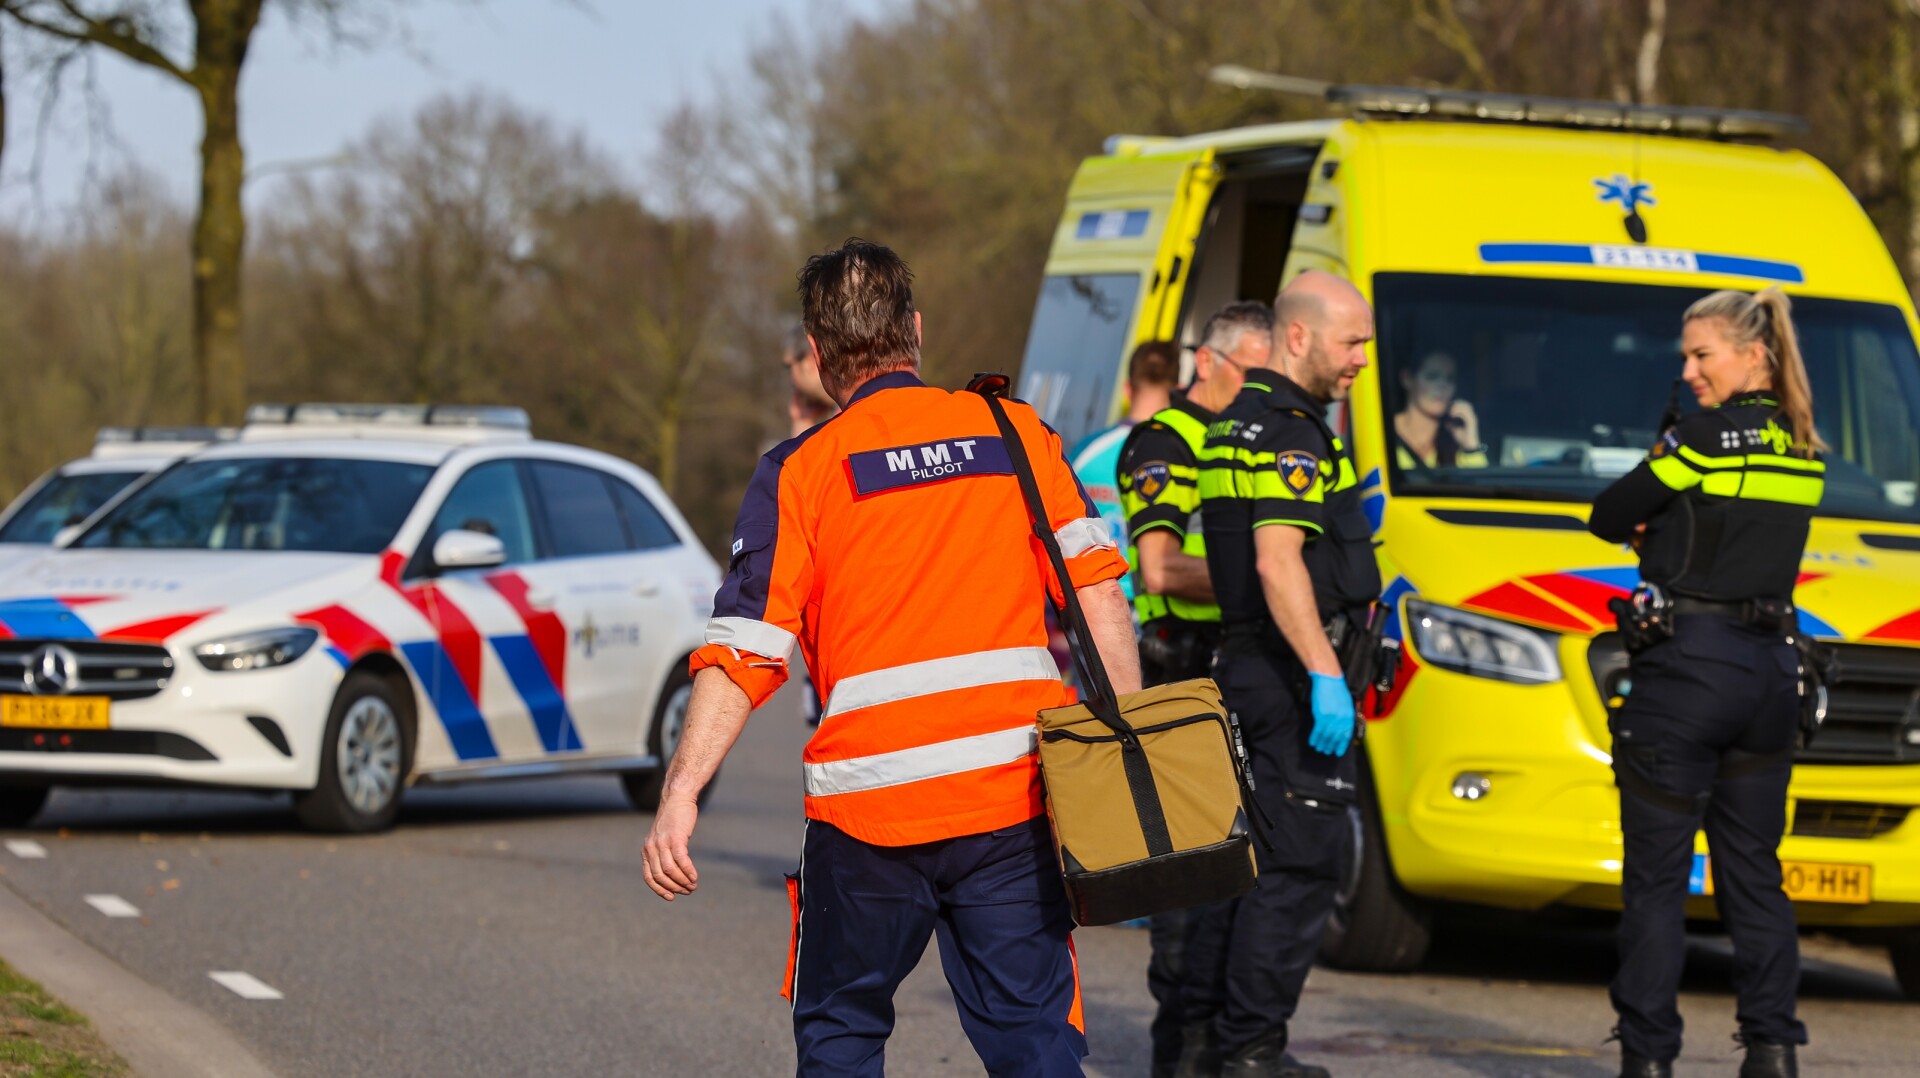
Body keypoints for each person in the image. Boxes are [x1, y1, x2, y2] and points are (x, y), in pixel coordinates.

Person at [641, 239, 1142, 1077]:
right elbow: (1097, 592)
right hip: (1010, 801)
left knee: (841, 1037)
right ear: (915, 328)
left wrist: (681, 792)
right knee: (1034, 1042)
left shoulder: (798, 473)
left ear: (818, 354)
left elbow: (744, 652)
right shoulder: (1014, 434)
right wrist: (1126, 735)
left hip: (868, 819)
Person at [1588, 288, 1826, 1078]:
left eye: (1702, 355)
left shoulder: (1698, 439)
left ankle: (1649, 1060)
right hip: (1772, 671)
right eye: (1685, 356)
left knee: (1656, 882)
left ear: (1753, 354)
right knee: (1756, 875)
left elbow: (1610, 511)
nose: (1687, 370)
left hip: (1690, 667)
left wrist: (1659, 509)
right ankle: (1772, 1051)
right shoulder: (1803, 446)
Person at [1183, 271, 1382, 1078]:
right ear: (1298, 337)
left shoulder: (1236, 423)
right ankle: (1252, 1051)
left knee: (1233, 867)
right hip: (1291, 679)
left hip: (1244, 667)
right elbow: (1277, 562)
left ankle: (1197, 1045)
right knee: (1297, 868)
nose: (1362, 359)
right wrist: (1326, 671)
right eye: (1351, 342)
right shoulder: (1296, 430)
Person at [1116, 300, 1271, 1078]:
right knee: (1190, 876)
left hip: (1244, 670)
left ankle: (1230, 1044)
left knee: (1247, 874)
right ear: (1208, 363)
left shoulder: (1250, 436)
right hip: (1181, 672)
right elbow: (1161, 569)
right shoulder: (1166, 443)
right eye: (1251, 370)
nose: (1262, 386)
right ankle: (1178, 1054)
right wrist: (1274, 583)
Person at [1071, 339, 1181, 599]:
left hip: (1088, 602)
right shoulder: (1182, 456)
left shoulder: (1085, 452)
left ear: (1127, 389)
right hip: (1150, 607)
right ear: (1178, 390)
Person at [1391, 349, 1488, 469]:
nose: (1442, 385)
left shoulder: (1455, 444)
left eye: (1449, 379)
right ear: (1407, 378)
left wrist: (1470, 447)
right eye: (1432, 376)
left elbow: (1478, 484)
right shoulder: (1380, 431)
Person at [783, 322, 838, 436]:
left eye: (789, 367)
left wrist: (802, 425)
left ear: (812, 360)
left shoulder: (847, 420)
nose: (791, 380)